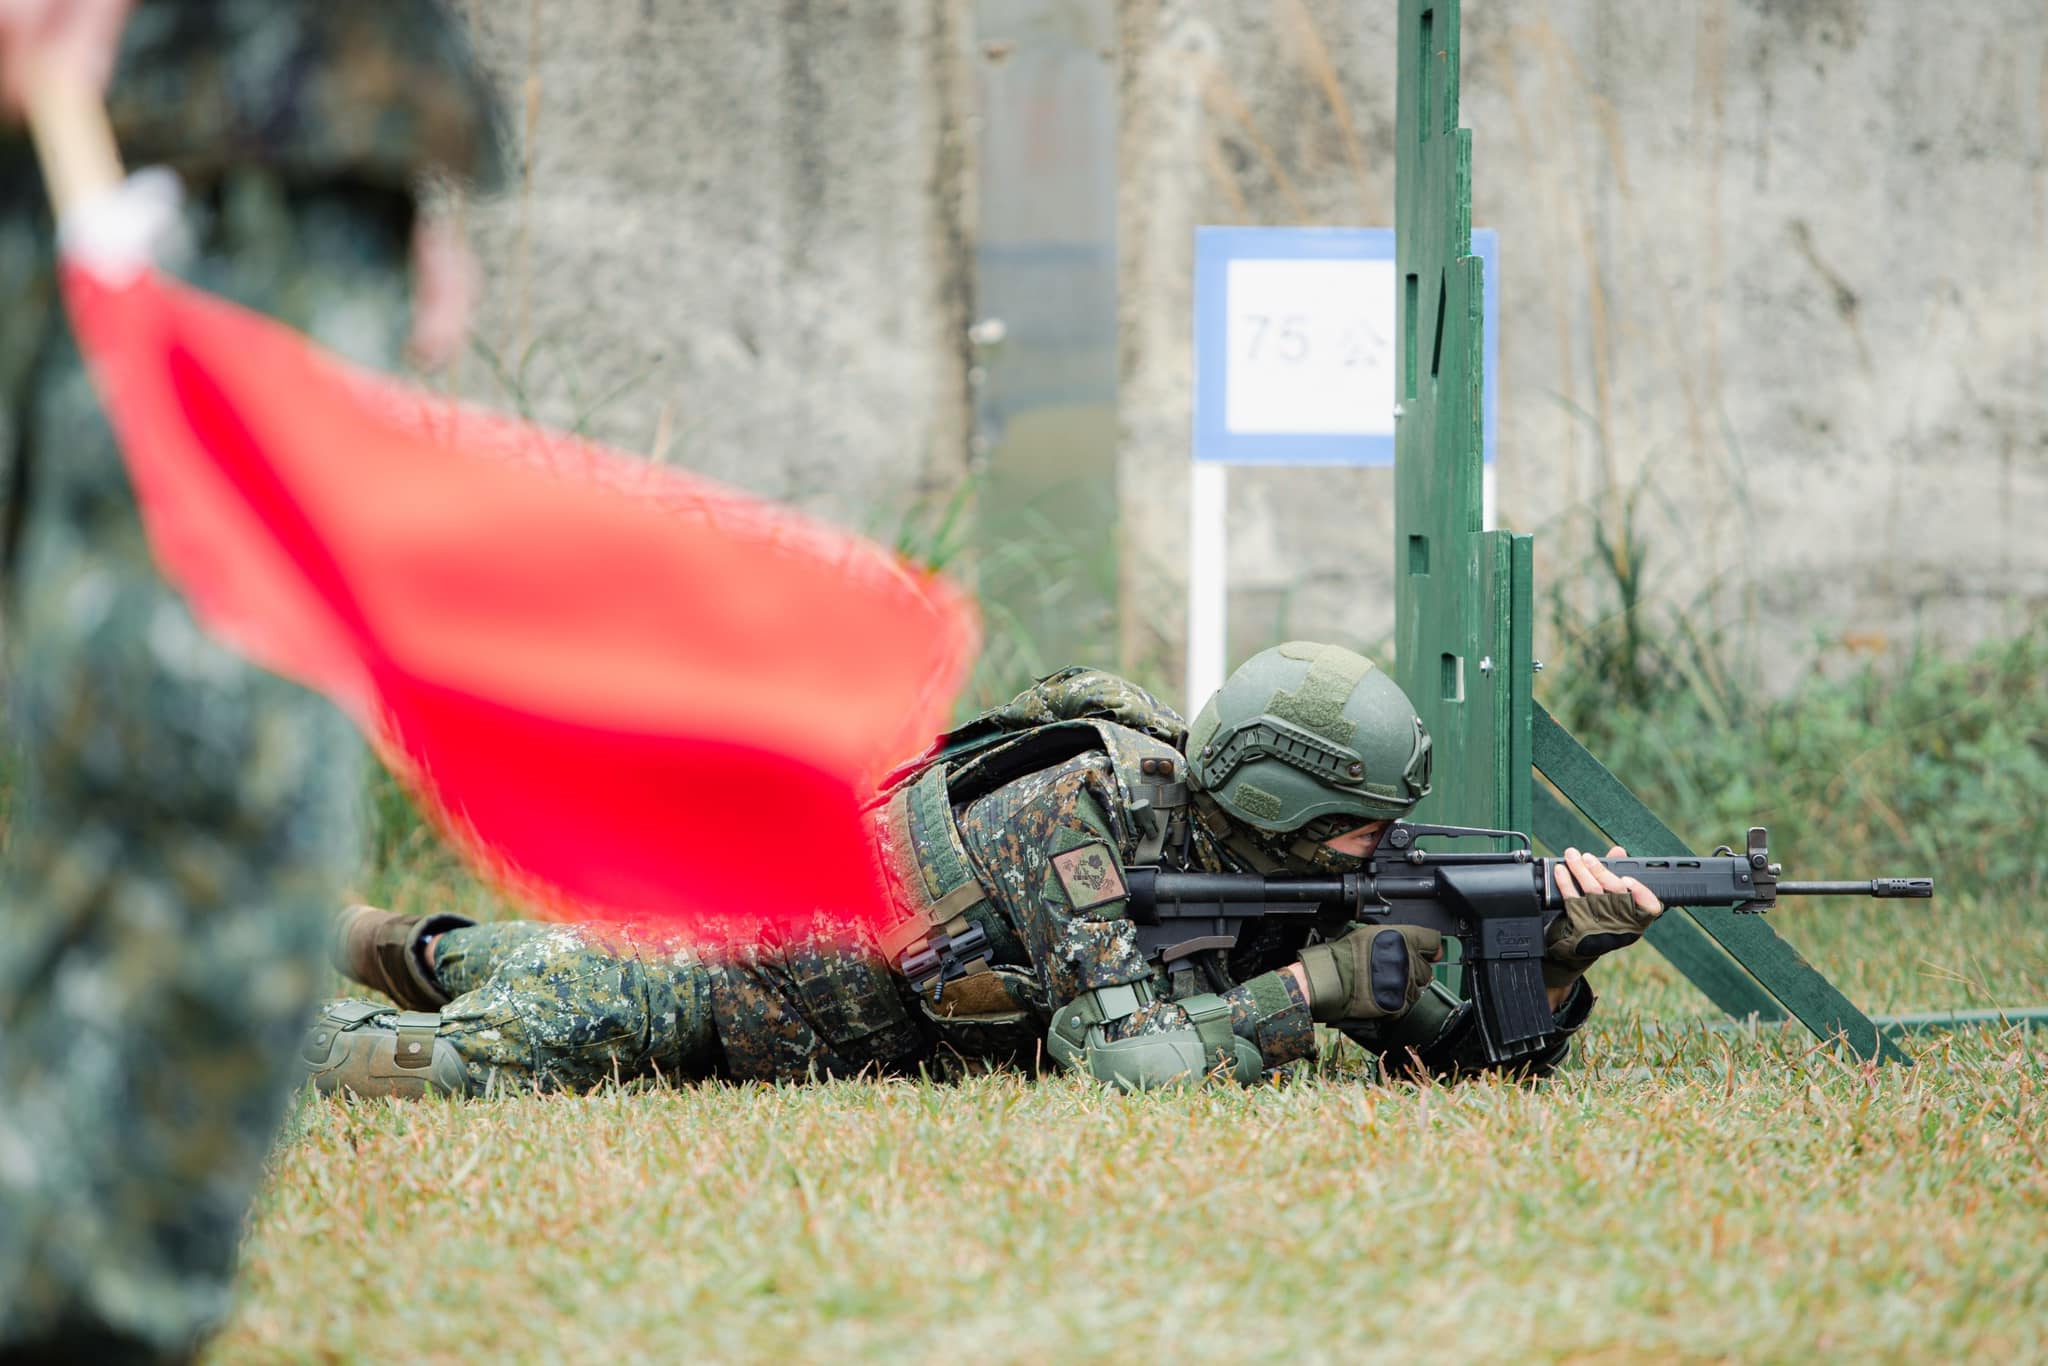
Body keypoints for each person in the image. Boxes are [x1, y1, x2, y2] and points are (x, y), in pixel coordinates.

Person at [0, 2, 500, 1360]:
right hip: (171, 114)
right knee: (197, 820)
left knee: (173, 811)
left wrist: (388, 149)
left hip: (240, 121)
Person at [308, 642, 1665, 1098]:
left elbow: (1458, 1058)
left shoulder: (1280, 863)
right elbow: (1120, 1060)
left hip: (770, 1008)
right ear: (1282, 806)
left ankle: (364, 935)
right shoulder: (1074, 811)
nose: (1385, 853)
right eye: (1364, 826)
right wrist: (1316, 987)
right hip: (713, 974)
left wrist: (1556, 949)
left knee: (483, 958)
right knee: (486, 1052)